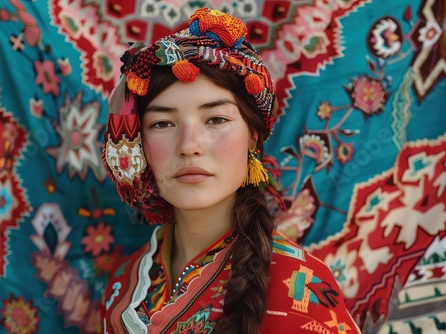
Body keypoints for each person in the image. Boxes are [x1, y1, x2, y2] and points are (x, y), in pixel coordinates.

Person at [101, 8, 360, 334]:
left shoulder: (300, 291)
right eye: (162, 123)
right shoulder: (124, 282)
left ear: (252, 136)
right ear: (140, 144)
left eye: (216, 120)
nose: (189, 145)